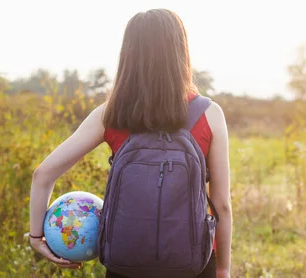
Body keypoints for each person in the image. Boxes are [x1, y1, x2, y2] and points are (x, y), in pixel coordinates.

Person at [28, 9, 232, 278]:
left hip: (125, 263)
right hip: (192, 262)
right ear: (180, 52)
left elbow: (43, 174)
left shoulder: (110, 115)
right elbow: (222, 205)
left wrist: (36, 237)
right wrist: (223, 268)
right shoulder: (209, 114)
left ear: (129, 55)